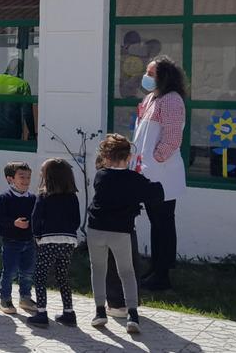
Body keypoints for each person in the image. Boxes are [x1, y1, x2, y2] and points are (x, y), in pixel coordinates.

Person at [87, 134, 164, 334]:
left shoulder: (100, 176)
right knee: (127, 272)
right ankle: (132, 315)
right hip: (121, 231)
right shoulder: (134, 179)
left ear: (105, 156)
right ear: (128, 157)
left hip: (96, 228)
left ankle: (100, 312)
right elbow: (156, 193)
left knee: (98, 269)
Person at [134, 55, 187, 291]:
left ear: (164, 76)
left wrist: (156, 159)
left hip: (162, 173)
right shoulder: (151, 98)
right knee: (156, 222)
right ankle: (155, 268)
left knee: (163, 223)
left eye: (151, 73)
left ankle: (162, 274)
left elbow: (173, 138)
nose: (146, 77)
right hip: (149, 172)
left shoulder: (172, 100)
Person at [26, 158, 81, 328]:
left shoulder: (43, 196)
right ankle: (69, 312)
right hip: (68, 241)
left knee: (40, 276)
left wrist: (37, 235)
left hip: (48, 240)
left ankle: (41, 313)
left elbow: (35, 218)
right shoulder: (72, 197)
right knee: (62, 276)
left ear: (48, 177)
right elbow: (76, 220)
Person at [0, 161, 37, 315]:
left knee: (27, 272)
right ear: (10, 179)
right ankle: (5, 298)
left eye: (28, 177)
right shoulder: (5, 197)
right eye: (21, 177)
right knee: (10, 271)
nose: (25, 181)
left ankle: (25, 297)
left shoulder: (33, 198)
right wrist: (14, 223)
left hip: (29, 241)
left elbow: (36, 218)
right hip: (11, 241)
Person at [0, 59, 36, 140]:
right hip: (13, 128)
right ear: (20, 70)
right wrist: (32, 133)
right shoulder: (22, 84)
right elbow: (27, 112)